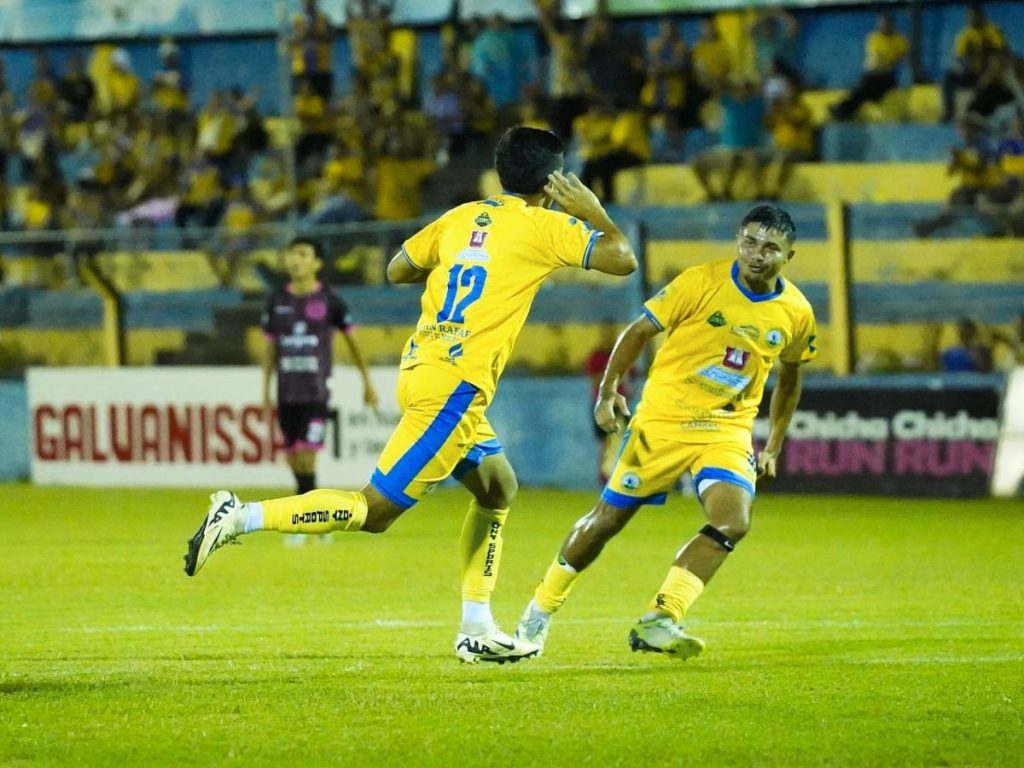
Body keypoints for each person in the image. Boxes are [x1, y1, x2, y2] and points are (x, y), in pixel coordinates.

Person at [182, 126, 638, 664]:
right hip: (456, 387)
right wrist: (593, 210)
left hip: (423, 366)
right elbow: (622, 258)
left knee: (497, 489)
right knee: (374, 511)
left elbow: (398, 267)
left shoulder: (462, 217)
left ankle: (476, 626)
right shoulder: (546, 226)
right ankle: (239, 516)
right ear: (554, 180)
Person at [515, 205, 817, 660]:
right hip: (662, 423)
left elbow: (790, 380)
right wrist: (608, 390)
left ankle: (662, 618)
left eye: (770, 248)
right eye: (750, 242)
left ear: (789, 256)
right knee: (606, 522)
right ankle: (539, 610)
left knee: (733, 521)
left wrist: (773, 444)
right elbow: (639, 331)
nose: (757, 254)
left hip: (726, 429)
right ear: (738, 240)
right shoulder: (700, 282)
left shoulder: (796, 312)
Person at [261, 237, 378, 543]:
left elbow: (353, 343)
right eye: (291, 254)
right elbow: (270, 348)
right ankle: (318, 519)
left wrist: (367, 382)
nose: (295, 260)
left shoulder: (330, 300)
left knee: (307, 456)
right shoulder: (277, 301)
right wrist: (264, 390)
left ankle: (304, 524)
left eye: (302, 254)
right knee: (294, 459)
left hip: (316, 392)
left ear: (316, 263)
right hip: (287, 393)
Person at [829, 13, 908, 122]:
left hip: (887, 77)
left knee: (863, 88)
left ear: (893, 25)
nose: (884, 27)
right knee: (863, 89)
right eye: (882, 24)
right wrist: (888, 61)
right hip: (873, 75)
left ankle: (842, 109)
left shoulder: (900, 40)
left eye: (887, 24)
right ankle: (843, 110)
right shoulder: (874, 38)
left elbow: (900, 60)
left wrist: (888, 63)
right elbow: (876, 60)